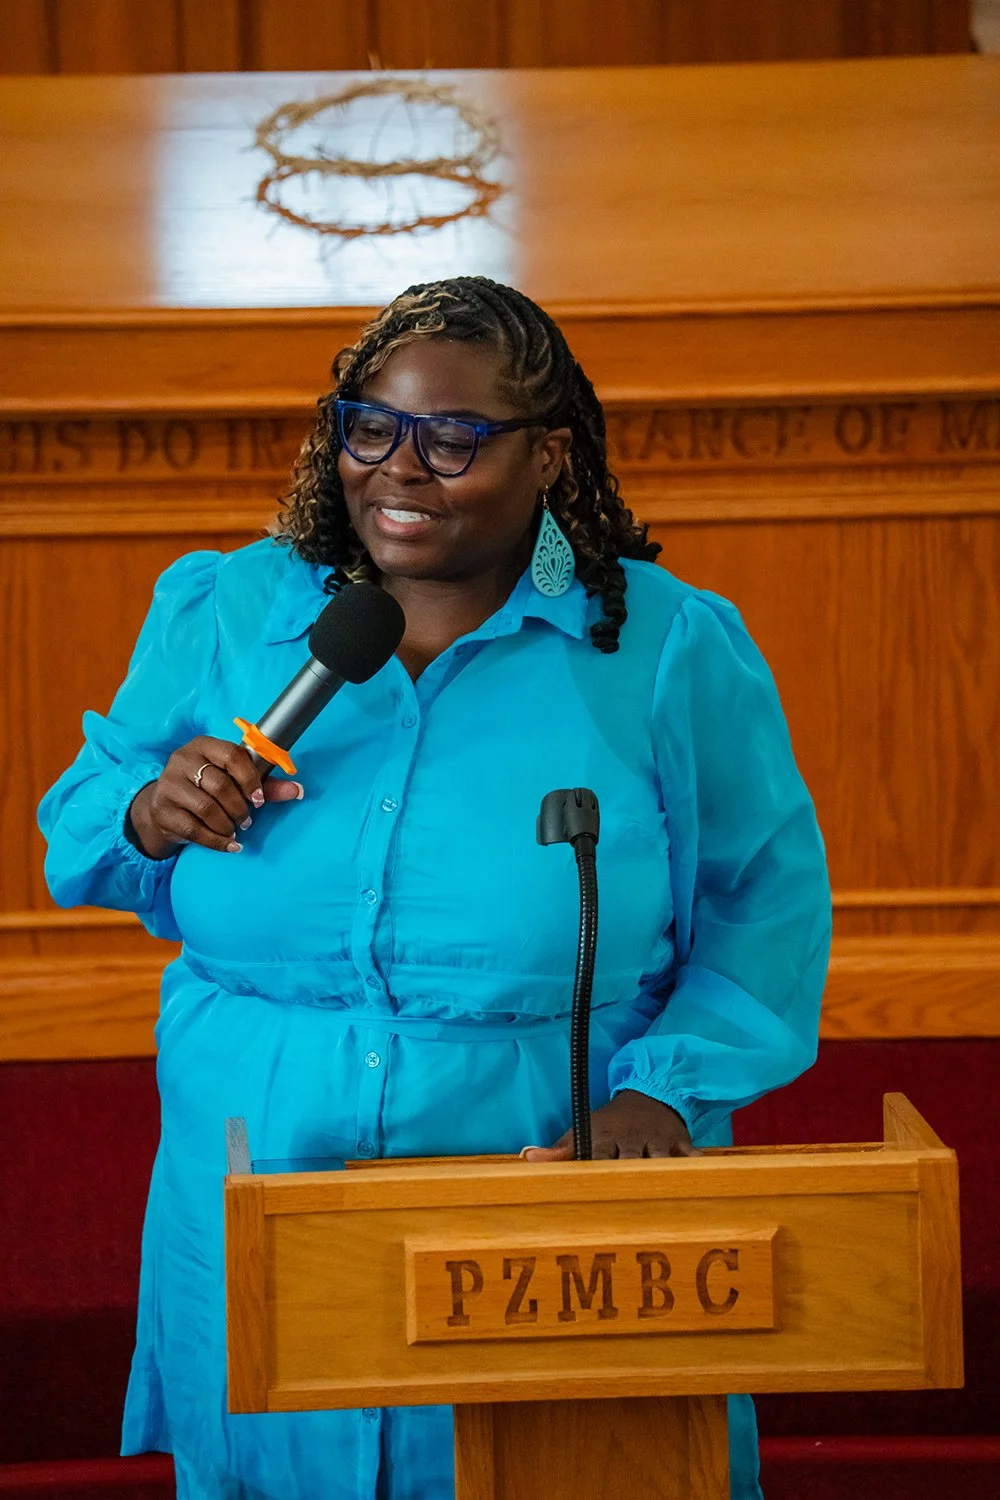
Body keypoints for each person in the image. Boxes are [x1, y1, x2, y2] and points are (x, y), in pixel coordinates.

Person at [39, 276, 831, 1500]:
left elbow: (762, 907)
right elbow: (82, 831)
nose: (400, 470)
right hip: (257, 1161)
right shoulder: (229, 606)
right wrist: (150, 811)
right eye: (371, 428)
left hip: (537, 1165)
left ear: (549, 456)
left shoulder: (664, 648)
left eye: (454, 439)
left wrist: (661, 1101)